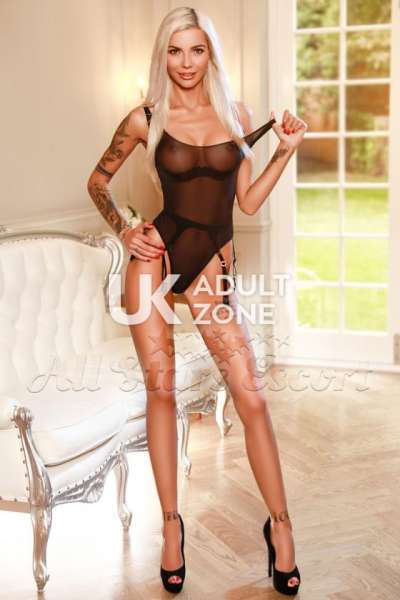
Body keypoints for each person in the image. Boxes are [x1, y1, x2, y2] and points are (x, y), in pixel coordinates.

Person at [87, 6, 307, 596]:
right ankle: (170, 526)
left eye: (197, 50)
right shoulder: (145, 117)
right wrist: (125, 229)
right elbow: (97, 181)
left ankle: (281, 527)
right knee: (161, 391)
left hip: (211, 260)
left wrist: (284, 152)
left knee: (251, 395)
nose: (186, 63)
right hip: (156, 258)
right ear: (163, 56)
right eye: (175, 51)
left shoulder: (236, 115)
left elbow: (248, 203)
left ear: (211, 53)